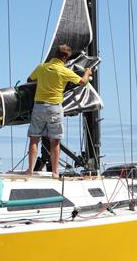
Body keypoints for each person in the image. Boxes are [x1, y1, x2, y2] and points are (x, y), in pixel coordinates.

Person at [25, 44, 92, 178]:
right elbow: (82, 82)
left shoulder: (42, 67)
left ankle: (30, 170)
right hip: (54, 108)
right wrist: (87, 72)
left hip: (38, 106)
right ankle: (55, 172)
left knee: (34, 139)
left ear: (55, 55)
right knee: (55, 141)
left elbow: (29, 79)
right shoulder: (64, 71)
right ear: (66, 58)